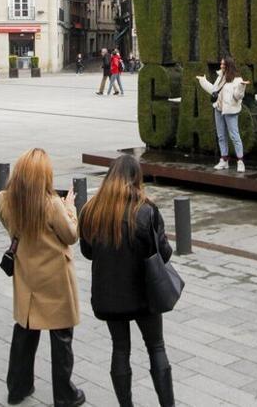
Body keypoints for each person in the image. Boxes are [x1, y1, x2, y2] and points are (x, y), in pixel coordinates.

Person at [79, 155, 175, 407]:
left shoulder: (91, 210)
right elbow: (164, 253)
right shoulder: (145, 209)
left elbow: (87, 252)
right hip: (145, 292)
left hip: (110, 294)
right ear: (136, 178)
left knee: (120, 348)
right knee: (156, 346)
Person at [0, 148, 85, 407]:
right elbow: (70, 236)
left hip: (27, 277)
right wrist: (70, 208)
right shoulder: (51, 204)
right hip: (56, 277)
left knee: (25, 332)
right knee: (61, 337)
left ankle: (17, 388)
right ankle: (64, 394)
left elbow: (10, 227)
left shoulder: (5, 200)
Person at [196, 57, 250, 172]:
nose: (221, 66)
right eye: (221, 64)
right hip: (218, 109)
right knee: (221, 135)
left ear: (228, 65)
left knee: (234, 136)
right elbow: (214, 91)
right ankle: (224, 160)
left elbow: (238, 97)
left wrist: (241, 86)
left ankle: (240, 161)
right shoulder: (220, 77)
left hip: (230, 111)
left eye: (223, 64)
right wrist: (203, 81)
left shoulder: (237, 80)